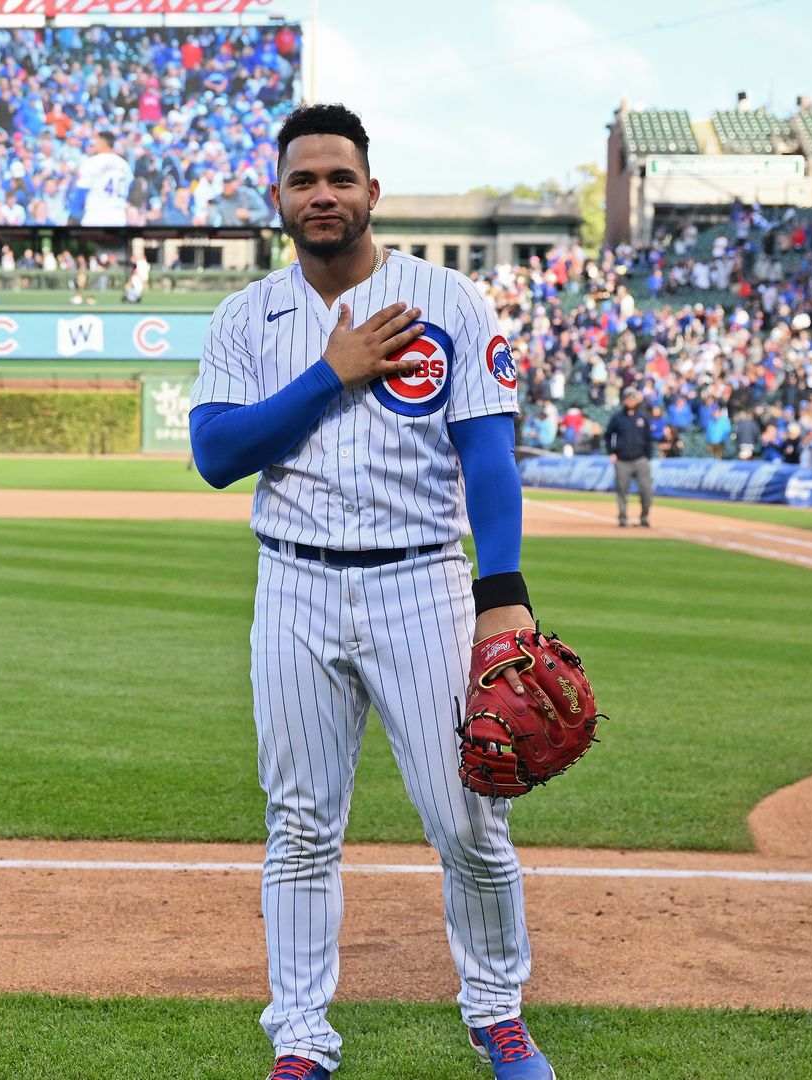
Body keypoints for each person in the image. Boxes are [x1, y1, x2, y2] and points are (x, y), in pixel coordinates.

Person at [189, 103, 555, 1080]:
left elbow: (490, 459)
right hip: (294, 587)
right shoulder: (245, 316)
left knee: (469, 821)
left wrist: (504, 590)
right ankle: (302, 1039)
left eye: (339, 178)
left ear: (372, 192)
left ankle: (497, 1014)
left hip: (421, 585)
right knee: (301, 826)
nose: (322, 195)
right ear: (278, 199)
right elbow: (215, 456)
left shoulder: (449, 302)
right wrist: (330, 374)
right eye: (303, 180)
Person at [605, 387, 655, 527]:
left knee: (646, 489)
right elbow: (608, 435)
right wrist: (612, 452)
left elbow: (649, 438)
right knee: (621, 489)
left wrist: (647, 456)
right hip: (622, 459)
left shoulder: (643, 417)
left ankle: (644, 516)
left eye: (632, 397)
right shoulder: (617, 417)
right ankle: (622, 516)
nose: (630, 400)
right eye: (628, 397)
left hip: (640, 458)